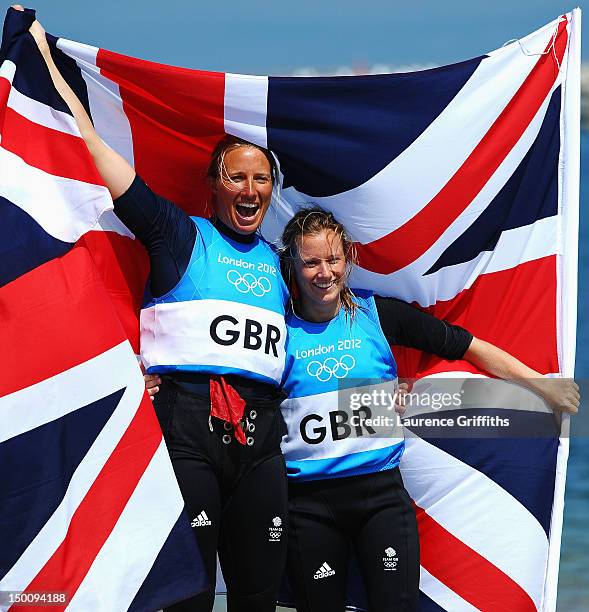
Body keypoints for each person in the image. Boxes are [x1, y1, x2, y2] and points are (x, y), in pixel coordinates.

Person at [20, 7, 290, 611]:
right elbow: (90, 147)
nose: (251, 190)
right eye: (238, 178)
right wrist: (40, 54)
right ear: (213, 184)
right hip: (186, 430)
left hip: (261, 438)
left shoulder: (284, 263)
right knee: (183, 594)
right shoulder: (177, 233)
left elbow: (344, 317)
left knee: (260, 597)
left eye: (261, 180)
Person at [277, 207, 579, 612]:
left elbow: (464, 344)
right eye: (311, 262)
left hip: (380, 500)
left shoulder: (378, 316)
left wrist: (540, 385)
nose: (324, 272)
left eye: (333, 259)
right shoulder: (278, 330)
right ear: (291, 266)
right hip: (308, 507)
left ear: (348, 259)